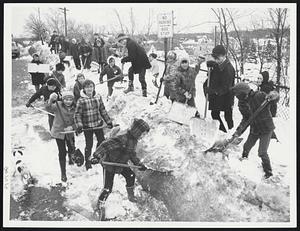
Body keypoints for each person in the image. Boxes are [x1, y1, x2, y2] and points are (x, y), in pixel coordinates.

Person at [90, 118, 149, 220]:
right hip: (110, 164)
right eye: (142, 133)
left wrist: (138, 164)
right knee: (108, 188)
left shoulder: (133, 140)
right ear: (137, 131)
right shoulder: (122, 137)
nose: (143, 136)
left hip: (121, 164)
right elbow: (105, 145)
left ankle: (131, 196)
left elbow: (131, 154)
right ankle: (99, 206)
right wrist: (97, 156)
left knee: (131, 176)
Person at [230, 82, 279, 179]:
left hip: (266, 128)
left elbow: (274, 99)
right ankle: (244, 163)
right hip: (255, 129)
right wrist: (237, 132)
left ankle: (268, 173)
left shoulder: (259, 96)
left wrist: (274, 95)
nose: (237, 98)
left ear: (244, 93)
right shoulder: (242, 104)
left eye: (238, 95)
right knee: (246, 146)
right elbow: (245, 120)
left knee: (262, 152)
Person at [74, 79, 113, 171]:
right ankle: (88, 162)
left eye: (91, 86)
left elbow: (102, 110)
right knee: (89, 144)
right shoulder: (81, 100)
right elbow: (77, 114)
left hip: (98, 124)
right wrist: (79, 125)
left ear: (93, 87)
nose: (89, 89)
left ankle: (97, 157)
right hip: (87, 126)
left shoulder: (98, 97)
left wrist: (108, 121)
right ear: (84, 89)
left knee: (101, 142)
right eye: (87, 87)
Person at [46, 91, 77, 182]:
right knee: (62, 151)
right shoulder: (58, 105)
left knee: (71, 148)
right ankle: (63, 173)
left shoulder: (75, 108)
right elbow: (48, 108)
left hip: (70, 132)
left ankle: (71, 159)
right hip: (59, 132)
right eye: (66, 99)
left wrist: (72, 127)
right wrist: (51, 99)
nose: (68, 101)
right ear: (63, 100)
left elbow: (79, 119)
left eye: (70, 99)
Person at [204, 45, 235, 133]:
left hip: (225, 96)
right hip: (217, 96)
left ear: (224, 55)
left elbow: (226, 87)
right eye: (214, 57)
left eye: (217, 57)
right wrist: (211, 69)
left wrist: (213, 91)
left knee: (227, 116)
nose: (216, 59)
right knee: (215, 114)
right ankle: (222, 132)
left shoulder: (228, 69)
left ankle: (230, 132)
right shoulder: (219, 64)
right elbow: (215, 76)